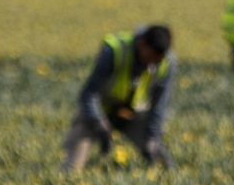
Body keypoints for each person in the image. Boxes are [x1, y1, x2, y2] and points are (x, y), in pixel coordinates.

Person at [62, 26, 176, 172]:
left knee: (162, 161)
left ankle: (169, 182)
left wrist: (152, 138)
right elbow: (88, 94)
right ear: (142, 45)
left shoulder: (166, 62)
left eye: (157, 61)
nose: (152, 65)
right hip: (100, 111)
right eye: (150, 58)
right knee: (73, 166)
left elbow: (159, 106)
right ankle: (67, 178)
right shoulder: (114, 51)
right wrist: (100, 124)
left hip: (132, 113)